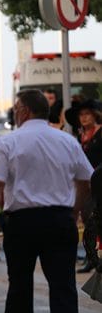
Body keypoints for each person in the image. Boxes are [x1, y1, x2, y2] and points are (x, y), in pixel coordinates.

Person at [0, 89, 92, 313]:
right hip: (60, 220)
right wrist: (74, 212)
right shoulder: (67, 141)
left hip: (22, 223)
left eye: (16, 108)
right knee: (63, 288)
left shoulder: (9, 142)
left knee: (19, 286)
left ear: (24, 110)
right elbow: (85, 180)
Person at [66, 99, 102, 273]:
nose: (84, 118)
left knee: (95, 219)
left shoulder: (100, 133)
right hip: (84, 183)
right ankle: (91, 257)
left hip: (99, 181)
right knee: (88, 218)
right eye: (81, 115)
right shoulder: (81, 135)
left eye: (87, 114)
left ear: (95, 115)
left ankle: (95, 257)